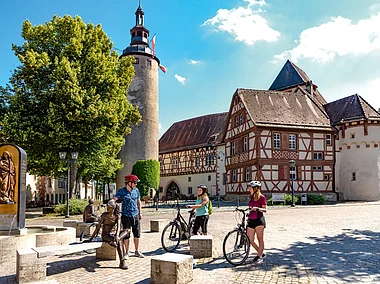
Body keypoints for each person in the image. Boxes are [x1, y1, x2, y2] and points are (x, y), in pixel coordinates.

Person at [88, 199, 130, 269]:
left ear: (113, 208)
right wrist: (91, 238)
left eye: (109, 207)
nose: (107, 209)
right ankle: (122, 262)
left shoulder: (117, 216)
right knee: (119, 242)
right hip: (106, 235)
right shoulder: (104, 215)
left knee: (127, 230)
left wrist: (117, 235)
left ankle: (116, 240)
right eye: (107, 207)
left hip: (114, 234)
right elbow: (97, 228)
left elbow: (119, 227)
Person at [113, 174, 144, 258]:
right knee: (126, 235)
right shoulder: (122, 191)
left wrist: (140, 212)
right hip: (126, 215)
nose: (136, 184)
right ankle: (126, 252)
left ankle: (137, 251)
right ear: (129, 183)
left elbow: (138, 202)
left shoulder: (136, 191)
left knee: (137, 233)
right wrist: (112, 202)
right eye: (135, 182)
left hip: (135, 215)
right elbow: (114, 199)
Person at [246, 181, 267, 263]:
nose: (249, 189)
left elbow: (265, 209)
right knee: (250, 239)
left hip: (259, 220)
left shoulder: (262, 197)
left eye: (250, 188)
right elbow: (250, 207)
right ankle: (261, 252)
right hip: (251, 220)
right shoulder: (250, 196)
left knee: (260, 238)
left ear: (255, 189)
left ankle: (259, 256)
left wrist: (257, 208)